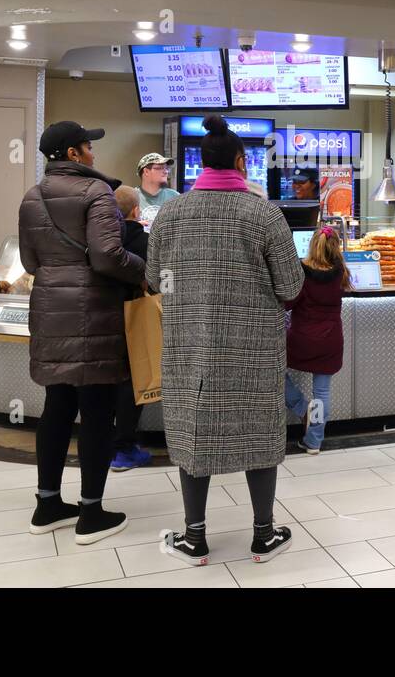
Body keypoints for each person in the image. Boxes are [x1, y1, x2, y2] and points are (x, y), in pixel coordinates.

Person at [146, 115, 304, 565]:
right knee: (259, 435)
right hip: (254, 351)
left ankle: (194, 538)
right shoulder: (263, 214)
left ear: (199, 163)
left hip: (188, 347)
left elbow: (156, 280)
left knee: (192, 437)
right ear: (241, 161)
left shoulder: (171, 213)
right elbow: (291, 287)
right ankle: (263, 535)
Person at [18, 122, 146, 543]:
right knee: (96, 410)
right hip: (93, 311)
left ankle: (47, 503)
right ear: (73, 154)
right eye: (88, 147)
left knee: (57, 404)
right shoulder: (97, 193)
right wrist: (143, 271)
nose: (93, 153)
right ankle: (91, 513)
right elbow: (108, 257)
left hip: (51, 310)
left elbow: (31, 261)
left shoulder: (32, 197)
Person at [284, 226, 350, 455]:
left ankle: (302, 409)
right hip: (330, 340)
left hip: (300, 340)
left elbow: (288, 303)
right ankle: (314, 441)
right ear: (336, 247)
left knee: (273, 372)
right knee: (322, 393)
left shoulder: (301, 272)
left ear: (312, 245)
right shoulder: (341, 272)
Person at [110, 184, 154, 471]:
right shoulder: (147, 241)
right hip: (137, 318)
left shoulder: (103, 238)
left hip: (103, 318)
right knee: (132, 381)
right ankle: (124, 447)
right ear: (136, 211)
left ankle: (106, 442)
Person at [136, 152, 178, 220]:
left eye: (166, 168)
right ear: (146, 171)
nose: (166, 172)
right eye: (160, 168)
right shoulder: (132, 197)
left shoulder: (175, 197)